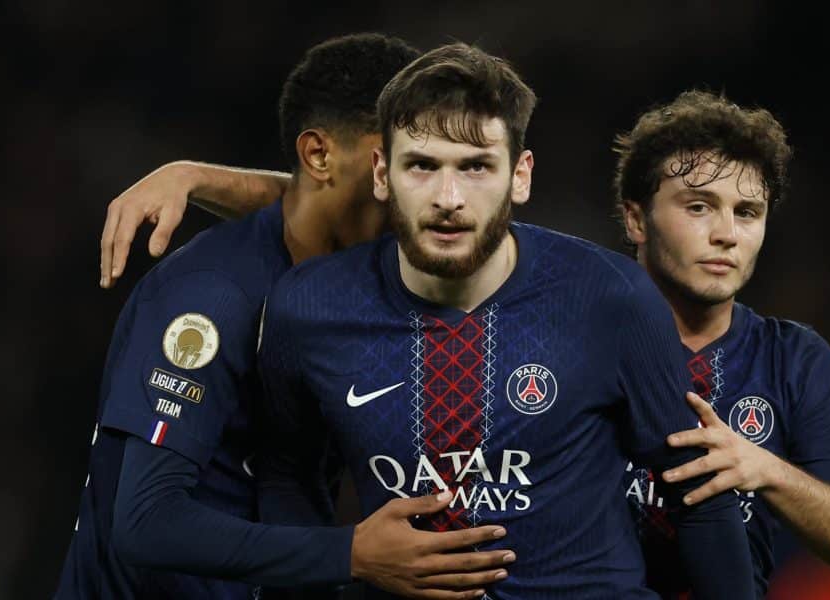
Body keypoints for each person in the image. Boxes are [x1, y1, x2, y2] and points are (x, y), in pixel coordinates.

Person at [253, 43, 752, 599]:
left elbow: (700, 498)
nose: (448, 197)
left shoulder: (612, 298)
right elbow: (288, 483)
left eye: (475, 167)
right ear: (381, 173)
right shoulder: (308, 309)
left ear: (520, 175)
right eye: (422, 165)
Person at [59, 34, 515, 600]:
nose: (422, 194)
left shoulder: (362, 272)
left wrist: (196, 175)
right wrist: (349, 554)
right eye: (395, 164)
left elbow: (307, 206)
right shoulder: (210, 298)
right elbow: (145, 523)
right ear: (321, 155)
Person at [613, 90, 830, 597]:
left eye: (747, 212)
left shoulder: (792, 360)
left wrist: (766, 469)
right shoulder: (573, 341)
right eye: (699, 206)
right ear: (636, 219)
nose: (726, 233)